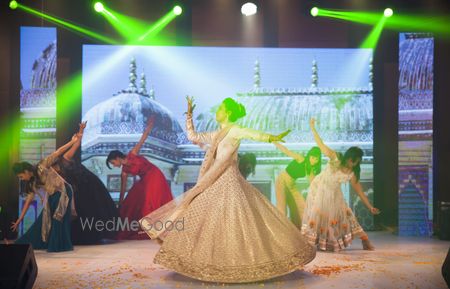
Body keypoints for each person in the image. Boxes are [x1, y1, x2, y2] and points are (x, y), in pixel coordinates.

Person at [139, 96, 316, 283]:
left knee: (236, 223)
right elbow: (194, 137)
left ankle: (241, 263)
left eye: (221, 108)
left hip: (230, 182)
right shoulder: (217, 134)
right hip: (214, 181)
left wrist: (272, 138)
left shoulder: (235, 130)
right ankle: (210, 263)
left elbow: (252, 133)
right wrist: (189, 116)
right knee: (209, 221)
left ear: (228, 112)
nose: (217, 111)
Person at [301, 118, 380, 252]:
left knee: (346, 214)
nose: (353, 163)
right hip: (319, 189)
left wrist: (370, 207)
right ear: (349, 157)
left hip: (333, 194)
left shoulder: (352, 172)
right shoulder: (335, 157)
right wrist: (312, 127)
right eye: (353, 160)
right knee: (317, 214)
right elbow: (321, 145)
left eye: (356, 162)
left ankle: (365, 240)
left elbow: (359, 191)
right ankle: (307, 243)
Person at [106, 116, 173, 240]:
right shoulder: (124, 171)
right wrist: (121, 203)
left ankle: (162, 228)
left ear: (117, 158)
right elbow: (123, 189)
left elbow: (143, 139)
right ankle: (151, 229)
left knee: (154, 201)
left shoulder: (133, 153)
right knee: (135, 202)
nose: (114, 165)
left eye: (112, 163)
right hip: (144, 179)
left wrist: (149, 127)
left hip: (154, 174)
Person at [11, 136, 79, 252]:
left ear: (26, 171)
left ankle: (59, 246)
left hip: (63, 191)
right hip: (53, 195)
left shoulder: (42, 166)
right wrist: (19, 220)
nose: (22, 179)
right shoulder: (32, 183)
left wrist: (72, 142)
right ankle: (31, 242)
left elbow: (58, 152)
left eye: (21, 176)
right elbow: (28, 201)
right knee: (44, 220)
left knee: (58, 218)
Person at [55, 122, 119, 244]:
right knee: (83, 210)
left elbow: (76, 144)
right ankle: (83, 236)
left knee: (90, 208)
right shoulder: (55, 171)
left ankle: (90, 236)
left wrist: (81, 130)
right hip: (79, 186)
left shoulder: (65, 158)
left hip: (86, 182)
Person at [274, 143, 321, 228]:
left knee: (302, 205)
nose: (313, 160)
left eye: (316, 159)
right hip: (281, 180)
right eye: (312, 157)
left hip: (291, 184)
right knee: (282, 209)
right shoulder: (301, 158)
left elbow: (313, 183)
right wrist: (274, 142)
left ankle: (301, 230)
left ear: (318, 160)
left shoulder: (310, 169)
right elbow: (286, 151)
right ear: (309, 155)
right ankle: (279, 230)